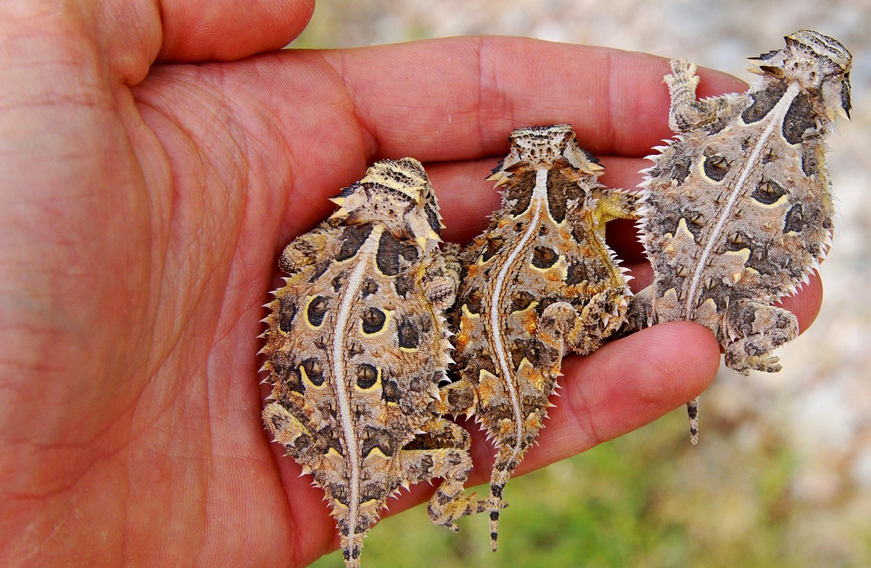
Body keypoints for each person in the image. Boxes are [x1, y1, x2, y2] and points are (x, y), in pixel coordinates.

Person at [0, 1, 822, 566]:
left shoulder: (345, 255)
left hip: (319, 419)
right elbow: (414, 304)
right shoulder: (432, 269)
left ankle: (466, 482)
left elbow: (309, 280)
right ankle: (467, 484)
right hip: (365, 411)